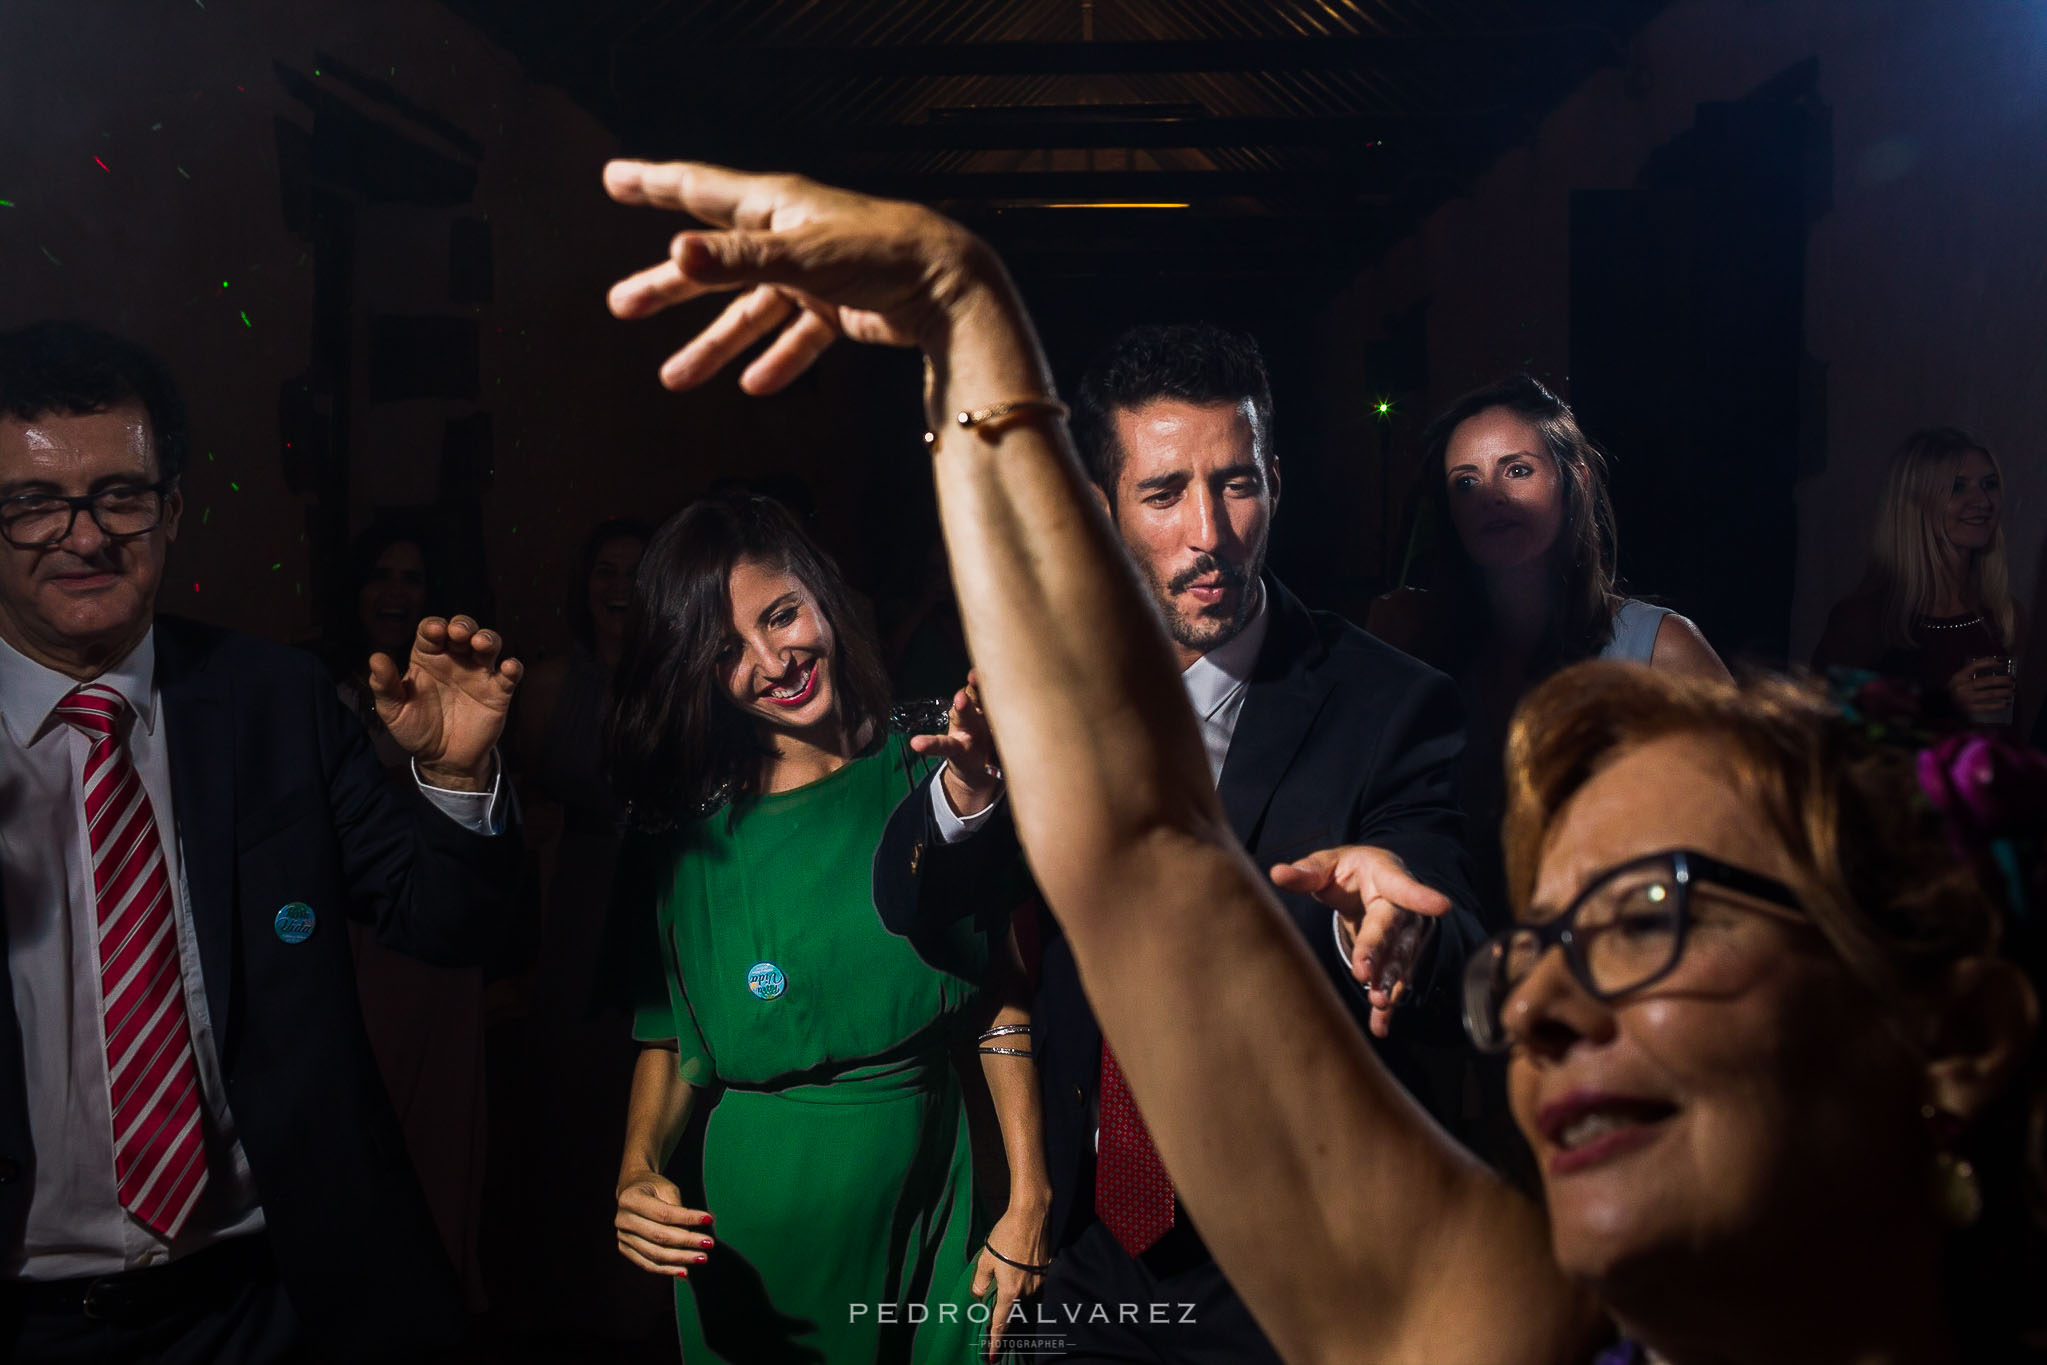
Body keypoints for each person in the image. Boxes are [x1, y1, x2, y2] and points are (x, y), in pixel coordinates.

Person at [600, 161, 2044, 1365]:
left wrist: (1427, 942)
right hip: (1090, 1267)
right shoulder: (1516, 1318)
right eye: (1546, 946)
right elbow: (1121, 860)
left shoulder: (1392, 708)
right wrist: (965, 334)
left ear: (1958, 1034)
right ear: (1114, 508)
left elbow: (1171, 861)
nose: (1536, 998)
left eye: (1648, 917)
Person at [867, 321, 1482, 1360]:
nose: (1209, 531)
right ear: (1104, 510)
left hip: (1302, 1262)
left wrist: (1387, 937)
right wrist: (968, 790)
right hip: (1089, 1245)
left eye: (1235, 484)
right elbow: (917, 906)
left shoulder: (1390, 705)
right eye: (1164, 494)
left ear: (1274, 484)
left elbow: (1452, 942)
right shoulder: (1046, 692)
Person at [0, 320, 521, 1363]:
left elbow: (449, 922)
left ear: (174, 511)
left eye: (122, 497)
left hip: (272, 1304)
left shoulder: (271, 702)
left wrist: (454, 776)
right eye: (34, 505)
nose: (86, 536)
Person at [603, 492, 1049, 1363]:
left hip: (948, 1192)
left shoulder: (929, 770)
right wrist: (635, 1168)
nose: (775, 660)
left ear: (822, 593)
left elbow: (1002, 995)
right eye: (728, 650)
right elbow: (665, 1032)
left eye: (782, 615)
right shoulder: (689, 836)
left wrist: (1027, 1200)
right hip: (766, 1236)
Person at [1370, 375, 1730, 922]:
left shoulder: (1660, 647)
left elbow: (1753, 821)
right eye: (1466, 482)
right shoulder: (1415, 637)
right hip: (1458, 962)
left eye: (1517, 470)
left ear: (1573, 481)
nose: (1492, 495)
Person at [498, 517, 670, 1350]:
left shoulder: (678, 683)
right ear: (584, 583)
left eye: (637, 573)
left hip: (658, 893)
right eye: (605, 569)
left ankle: (640, 1299)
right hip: (571, 897)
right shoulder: (543, 682)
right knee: (564, 1104)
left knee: (649, 1089)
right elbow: (524, 805)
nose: (619, 586)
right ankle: (566, 1302)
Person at [1815, 427, 2028, 736]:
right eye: (1957, 487)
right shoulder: (1867, 618)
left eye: (1989, 485)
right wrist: (1939, 706)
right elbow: (1823, 730)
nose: (1982, 500)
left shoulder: (2005, 616)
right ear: (1916, 503)